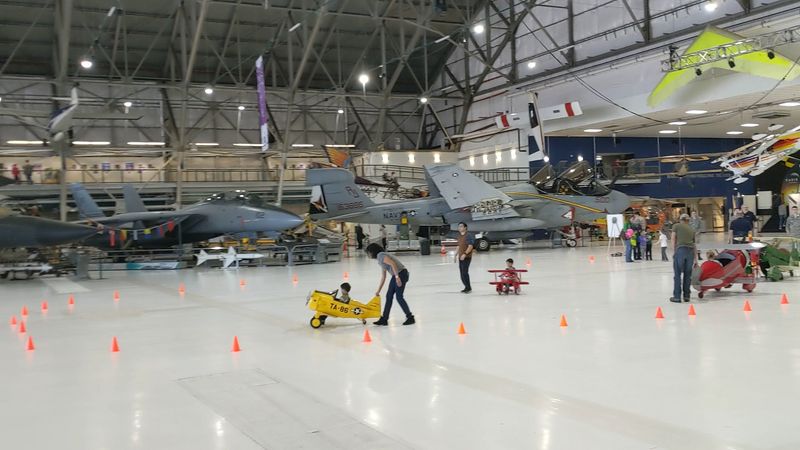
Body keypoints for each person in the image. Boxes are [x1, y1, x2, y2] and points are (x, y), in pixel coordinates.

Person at [365, 243, 414, 326]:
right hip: (396, 275)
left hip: (401, 274)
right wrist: (378, 291)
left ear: (372, 251)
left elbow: (393, 264)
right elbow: (383, 276)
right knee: (389, 296)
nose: (368, 255)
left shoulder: (381, 255)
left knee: (399, 297)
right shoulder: (379, 259)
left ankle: (410, 317)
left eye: (368, 252)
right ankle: (384, 319)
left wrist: (397, 277)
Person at [670, 213, 697, 303]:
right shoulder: (692, 229)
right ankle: (687, 296)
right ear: (688, 220)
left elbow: (673, 239)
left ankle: (677, 297)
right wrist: (696, 259)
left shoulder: (676, 226)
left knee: (677, 274)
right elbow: (694, 245)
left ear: (680, 219)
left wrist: (674, 252)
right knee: (687, 275)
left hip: (681, 250)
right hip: (690, 252)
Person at [456, 222, 475, 293]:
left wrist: (465, 254)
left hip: (466, 257)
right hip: (460, 257)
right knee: (461, 273)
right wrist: (455, 254)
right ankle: (466, 286)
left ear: (465, 228)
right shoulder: (459, 236)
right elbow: (458, 245)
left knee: (464, 272)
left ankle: (468, 287)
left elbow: (470, 246)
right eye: (459, 227)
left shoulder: (468, 235)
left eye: (461, 226)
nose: (459, 228)